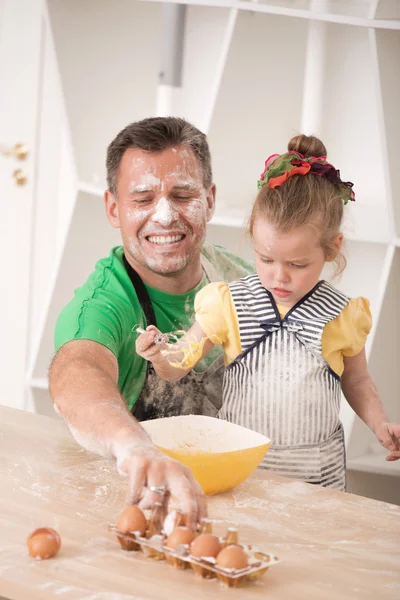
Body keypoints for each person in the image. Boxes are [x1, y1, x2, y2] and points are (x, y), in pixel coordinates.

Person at [136, 134, 400, 490]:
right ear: (253, 241)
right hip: (242, 469)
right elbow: (179, 362)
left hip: (317, 476)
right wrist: (159, 355)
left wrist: (381, 424)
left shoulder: (343, 315)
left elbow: (356, 381)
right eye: (266, 259)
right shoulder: (228, 304)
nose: (279, 276)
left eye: (297, 264)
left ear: (333, 248)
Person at [49, 117, 254, 527]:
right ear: (113, 207)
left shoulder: (244, 282)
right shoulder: (104, 303)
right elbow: (77, 372)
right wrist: (133, 446)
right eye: (142, 199)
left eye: (182, 195)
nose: (164, 217)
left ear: (209, 200)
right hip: (147, 508)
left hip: (246, 496)